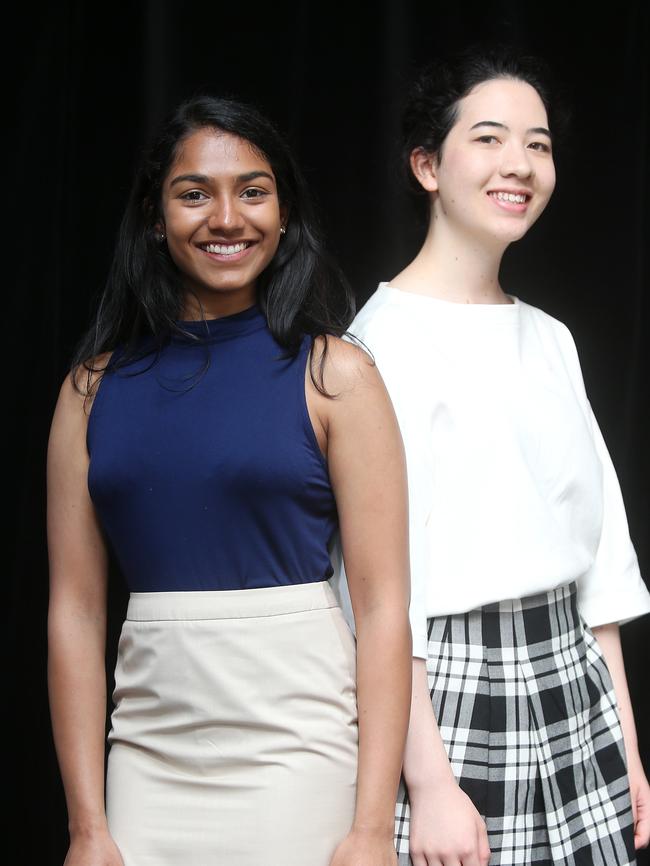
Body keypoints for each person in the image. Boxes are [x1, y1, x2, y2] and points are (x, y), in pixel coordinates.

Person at [47, 95, 412, 866]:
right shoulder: (90, 390)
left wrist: (373, 828)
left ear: (283, 214)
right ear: (155, 216)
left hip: (299, 750)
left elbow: (383, 610)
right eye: (193, 194)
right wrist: (87, 827)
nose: (226, 217)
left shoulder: (335, 376)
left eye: (252, 190)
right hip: (147, 758)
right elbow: (76, 612)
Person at [341, 48, 650, 865]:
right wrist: (429, 781)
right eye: (489, 138)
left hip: (572, 680)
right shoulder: (378, 345)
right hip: (448, 694)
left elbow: (600, 560)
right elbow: (375, 587)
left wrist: (627, 740)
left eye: (539, 144)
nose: (520, 164)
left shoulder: (550, 338)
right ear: (426, 165)